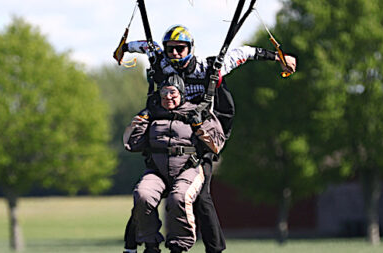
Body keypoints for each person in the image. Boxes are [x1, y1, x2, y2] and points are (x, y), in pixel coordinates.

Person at [122, 24, 297, 253]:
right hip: (165, 141)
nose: (174, 54)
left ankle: (214, 250)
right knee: (144, 196)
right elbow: (146, 46)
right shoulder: (161, 61)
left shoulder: (209, 67)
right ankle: (132, 246)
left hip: (200, 143)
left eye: (180, 49)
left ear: (190, 48)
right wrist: (123, 48)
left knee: (201, 198)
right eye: (170, 49)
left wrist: (278, 57)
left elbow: (243, 53)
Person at [123, 74, 226, 253]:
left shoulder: (198, 112)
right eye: (164, 93)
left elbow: (217, 145)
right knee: (142, 195)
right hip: (157, 170)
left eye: (173, 93)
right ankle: (150, 244)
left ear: (182, 95)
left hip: (189, 168)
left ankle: (178, 246)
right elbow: (131, 144)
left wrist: (199, 126)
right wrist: (140, 123)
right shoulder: (152, 112)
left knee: (179, 198)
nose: (168, 97)